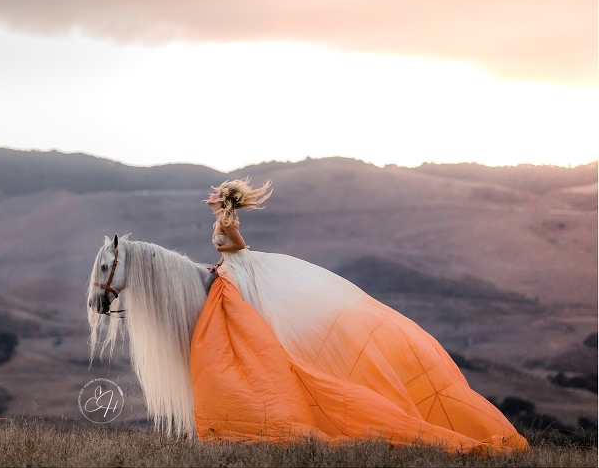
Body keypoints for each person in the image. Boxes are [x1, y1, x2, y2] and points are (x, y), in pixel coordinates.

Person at [191, 177, 527, 453]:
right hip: (233, 271)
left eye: (215, 191)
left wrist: (225, 263)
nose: (210, 194)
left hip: (241, 271)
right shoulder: (222, 219)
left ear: (224, 200)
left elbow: (238, 248)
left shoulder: (227, 221)